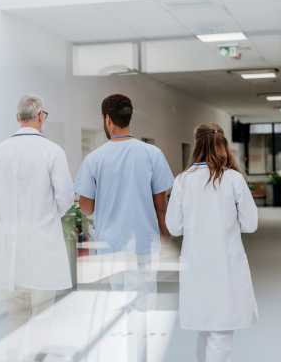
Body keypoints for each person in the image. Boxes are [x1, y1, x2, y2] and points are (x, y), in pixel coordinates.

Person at [73, 94, 174, 361]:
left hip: (110, 248)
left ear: (107, 119)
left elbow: (86, 208)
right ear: (130, 117)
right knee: (142, 309)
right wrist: (165, 240)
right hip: (143, 245)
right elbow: (161, 205)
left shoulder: (94, 159)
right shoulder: (152, 154)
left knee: (120, 306)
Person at [0, 94, 74, 340]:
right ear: (41, 116)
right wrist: (46, 217)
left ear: (17, 118)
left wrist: (11, 215)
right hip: (43, 244)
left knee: (18, 308)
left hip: (13, 245)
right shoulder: (53, 151)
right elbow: (65, 198)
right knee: (43, 310)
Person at [166, 122, 258, 362]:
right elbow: (251, 224)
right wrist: (224, 223)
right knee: (221, 332)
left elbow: (173, 227)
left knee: (205, 329)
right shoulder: (234, 179)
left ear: (196, 145)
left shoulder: (183, 180)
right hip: (225, 265)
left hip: (195, 264)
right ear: (223, 143)